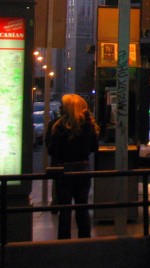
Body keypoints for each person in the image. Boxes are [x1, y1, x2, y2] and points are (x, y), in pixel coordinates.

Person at [46, 93, 99, 239]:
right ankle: (84, 239)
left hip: (64, 170)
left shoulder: (58, 125)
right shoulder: (88, 125)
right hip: (83, 170)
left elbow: (51, 150)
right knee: (82, 207)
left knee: (65, 210)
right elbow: (95, 147)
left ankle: (64, 241)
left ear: (67, 108)